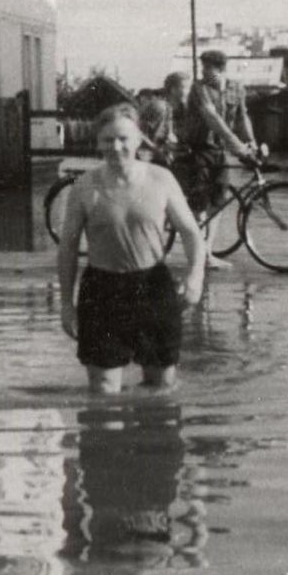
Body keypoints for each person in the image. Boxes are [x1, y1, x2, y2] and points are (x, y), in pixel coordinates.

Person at [58, 102, 206, 394]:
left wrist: (195, 278)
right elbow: (68, 248)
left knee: (161, 387)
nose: (116, 147)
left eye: (123, 138)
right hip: (102, 292)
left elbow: (191, 234)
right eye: (107, 139)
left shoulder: (161, 179)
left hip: (152, 288)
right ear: (98, 143)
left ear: (138, 139)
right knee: (103, 391)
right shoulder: (85, 187)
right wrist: (66, 303)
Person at [183, 49, 258, 268]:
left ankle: (206, 252)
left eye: (209, 68)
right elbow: (211, 117)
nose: (205, 72)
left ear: (221, 69)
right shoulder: (199, 89)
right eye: (203, 67)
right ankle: (199, 257)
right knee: (199, 204)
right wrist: (237, 146)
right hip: (197, 149)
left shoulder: (236, 88)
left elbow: (243, 117)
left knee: (218, 201)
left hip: (220, 151)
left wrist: (251, 141)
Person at [137, 70, 189, 166]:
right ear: (173, 90)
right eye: (185, 88)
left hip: (154, 156)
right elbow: (138, 133)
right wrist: (156, 150)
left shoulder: (169, 107)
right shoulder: (160, 107)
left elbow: (167, 135)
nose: (188, 92)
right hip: (146, 158)